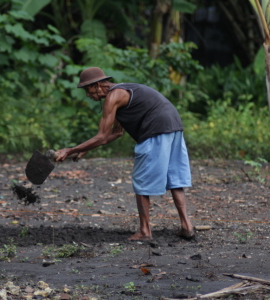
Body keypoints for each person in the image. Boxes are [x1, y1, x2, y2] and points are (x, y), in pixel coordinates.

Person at [55, 67, 194, 241]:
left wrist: (70, 150)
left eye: (87, 89)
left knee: (142, 181)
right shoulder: (122, 93)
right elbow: (116, 132)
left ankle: (145, 231)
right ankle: (187, 226)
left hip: (156, 128)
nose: (87, 95)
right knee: (174, 178)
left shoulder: (113, 97)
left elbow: (102, 135)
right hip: (173, 126)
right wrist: (84, 149)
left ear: (98, 85)